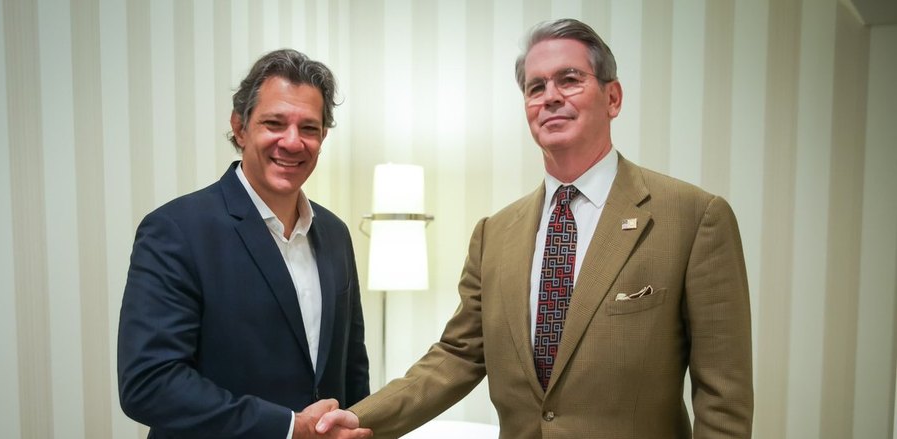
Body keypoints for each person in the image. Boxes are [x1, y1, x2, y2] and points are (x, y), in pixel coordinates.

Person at [317, 18, 753, 438]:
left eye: (570, 80)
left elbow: (723, 399)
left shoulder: (693, 218)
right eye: (536, 87)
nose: (551, 97)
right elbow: (457, 357)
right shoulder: (494, 235)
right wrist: (357, 420)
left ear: (613, 98)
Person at [118, 48, 372, 439]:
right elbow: (149, 383)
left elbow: (352, 371)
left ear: (323, 136)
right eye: (274, 123)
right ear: (240, 127)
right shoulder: (176, 230)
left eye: (309, 128)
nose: (292, 142)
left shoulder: (336, 234)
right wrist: (288, 428)